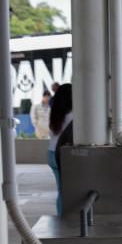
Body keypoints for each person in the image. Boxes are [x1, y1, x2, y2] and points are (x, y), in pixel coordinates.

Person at [47, 83, 72, 215]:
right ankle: (64, 218)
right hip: (63, 154)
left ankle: (61, 216)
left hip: (51, 153)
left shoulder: (55, 113)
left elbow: (52, 133)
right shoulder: (73, 114)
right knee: (66, 191)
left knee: (61, 190)